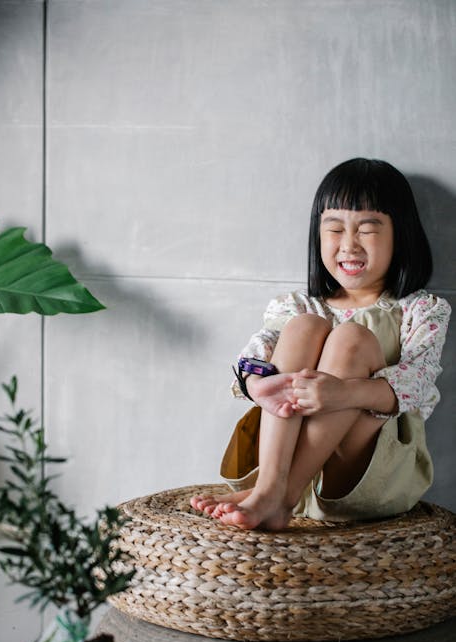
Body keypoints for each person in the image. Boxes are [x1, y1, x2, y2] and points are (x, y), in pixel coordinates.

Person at [190, 158, 451, 530]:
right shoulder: (298, 306)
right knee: (303, 327)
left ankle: (281, 495)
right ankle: (270, 488)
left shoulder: (420, 310)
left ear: (401, 234)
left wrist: (344, 394)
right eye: (334, 229)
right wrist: (256, 385)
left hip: (365, 471)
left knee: (351, 339)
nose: (349, 245)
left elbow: (418, 383)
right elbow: (257, 352)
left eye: (367, 229)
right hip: (289, 454)